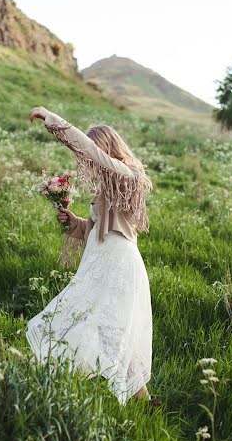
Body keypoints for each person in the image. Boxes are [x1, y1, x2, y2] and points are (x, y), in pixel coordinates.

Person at [26, 106, 161, 407]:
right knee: (106, 329)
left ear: (105, 148)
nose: (86, 160)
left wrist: (52, 119)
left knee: (84, 321)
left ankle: (47, 380)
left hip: (118, 264)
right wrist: (75, 223)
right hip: (103, 261)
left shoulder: (127, 175)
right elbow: (98, 230)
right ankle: (145, 403)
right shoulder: (107, 186)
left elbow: (89, 150)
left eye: (92, 153)